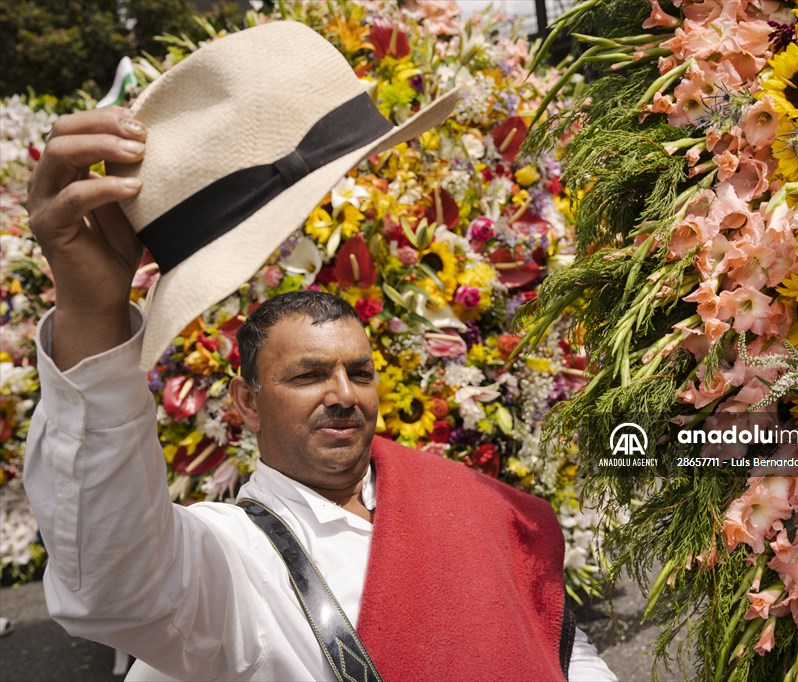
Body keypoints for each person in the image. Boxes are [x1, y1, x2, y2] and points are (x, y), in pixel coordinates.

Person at [23, 21, 616, 682]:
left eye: (358, 372)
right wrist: (91, 314)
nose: (342, 393)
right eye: (307, 374)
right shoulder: (229, 561)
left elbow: (565, 651)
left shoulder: (466, 501)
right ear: (245, 401)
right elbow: (112, 582)